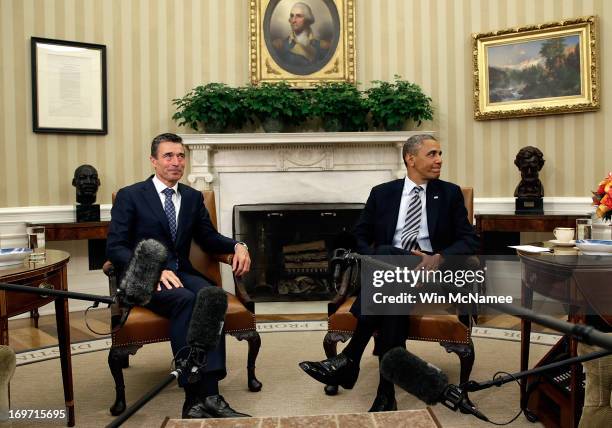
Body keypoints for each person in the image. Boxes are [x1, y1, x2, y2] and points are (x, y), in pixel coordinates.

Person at [299, 134, 479, 412]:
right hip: (391, 276)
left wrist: (438, 258)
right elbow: (359, 237)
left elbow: (469, 240)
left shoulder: (449, 193)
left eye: (440, 154)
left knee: (390, 264)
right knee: (391, 272)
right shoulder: (382, 193)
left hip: (433, 277)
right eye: (432, 154)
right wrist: (378, 258)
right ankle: (385, 394)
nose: (439, 160)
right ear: (410, 158)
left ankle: (350, 358)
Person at [106, 133, 251, 419]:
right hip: (143, 277)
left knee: (212, 297)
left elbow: (208, 239)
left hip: (181, 271)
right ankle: (192, 396)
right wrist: (154, 270)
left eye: (180, 156)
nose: (176, 162)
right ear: (154, 161)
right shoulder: (131, 195)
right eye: (168, 156)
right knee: (186, 300)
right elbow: (115, 247)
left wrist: (238, 245)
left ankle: (210, 395)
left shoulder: (192, 197)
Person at [272, 2, 330, 68]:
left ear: (307, 20)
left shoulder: (322, 46)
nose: (293, 20)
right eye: (292, 16)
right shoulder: (280, 46)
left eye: (298, 16)